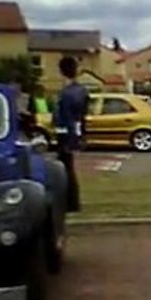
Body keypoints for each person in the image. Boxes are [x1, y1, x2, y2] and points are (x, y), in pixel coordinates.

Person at [53, 56, 89, 212]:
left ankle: (70, 202)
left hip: (65, 133)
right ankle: (71, 201)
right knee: (67, 167)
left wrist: (68, 138)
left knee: (65, 167)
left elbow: (65, 116)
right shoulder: (81, 91)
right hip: (73, 130)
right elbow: (81, 115)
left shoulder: (66, 93)